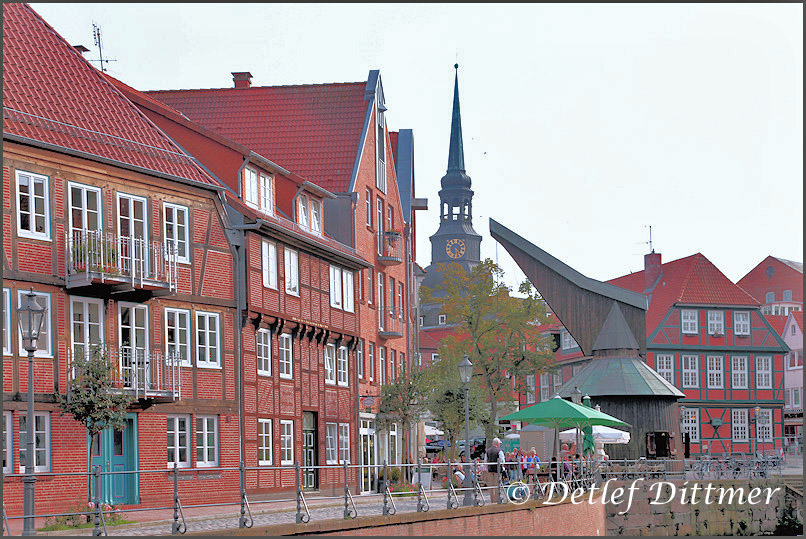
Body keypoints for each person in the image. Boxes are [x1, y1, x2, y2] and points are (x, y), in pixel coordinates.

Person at [485, 437, 505, 502]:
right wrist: (503, 467)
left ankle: (492, 499)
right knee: (497, 485)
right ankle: (496, 499)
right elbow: (502, 461)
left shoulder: (487, 451)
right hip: (497, 470)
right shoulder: (499, 451)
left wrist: (487, 468)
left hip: (490, 470)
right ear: (497, 444)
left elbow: (485, 461)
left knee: (491, 485)